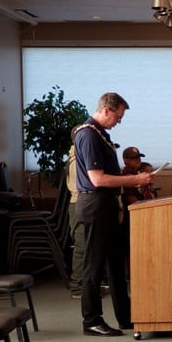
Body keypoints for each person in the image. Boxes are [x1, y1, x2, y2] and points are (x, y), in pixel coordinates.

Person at [74, 93, 153, 337]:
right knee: (94, 265)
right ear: (106, 110)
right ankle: (91, 320)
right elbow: (97, 179)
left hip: (107, 204)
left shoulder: (101, 134)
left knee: (116, 264)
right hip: (95, 203)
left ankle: (125, 316)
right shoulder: (88, 134)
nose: (119, 121)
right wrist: (134, 179)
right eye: (118, 116)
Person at [66, 127, 110, 301]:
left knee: (88, 246)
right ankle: (78, 287)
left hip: (82, 204)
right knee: (82, 246)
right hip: (79, 204)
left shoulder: (77, 155)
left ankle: (89, 284)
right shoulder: (77, 159)